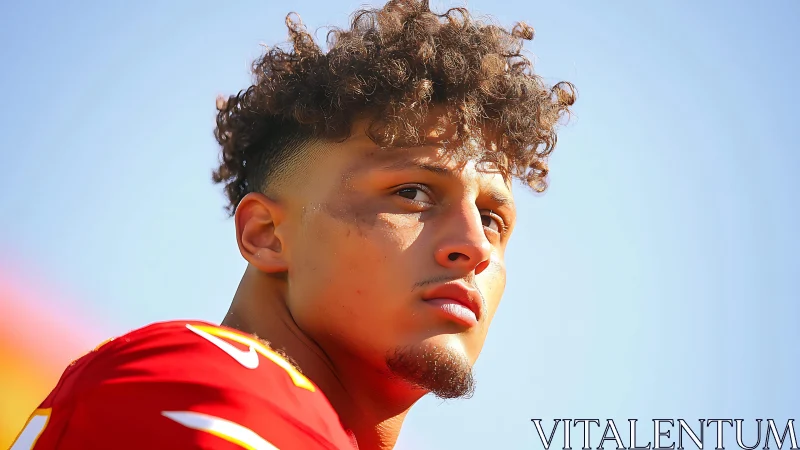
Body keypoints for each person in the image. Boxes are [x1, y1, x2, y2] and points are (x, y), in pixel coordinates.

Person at [10, 0, 575, 448]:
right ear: (266, 235)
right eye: (412, 192)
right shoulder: (213, 384)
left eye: (493, 218)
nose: (475, 247)